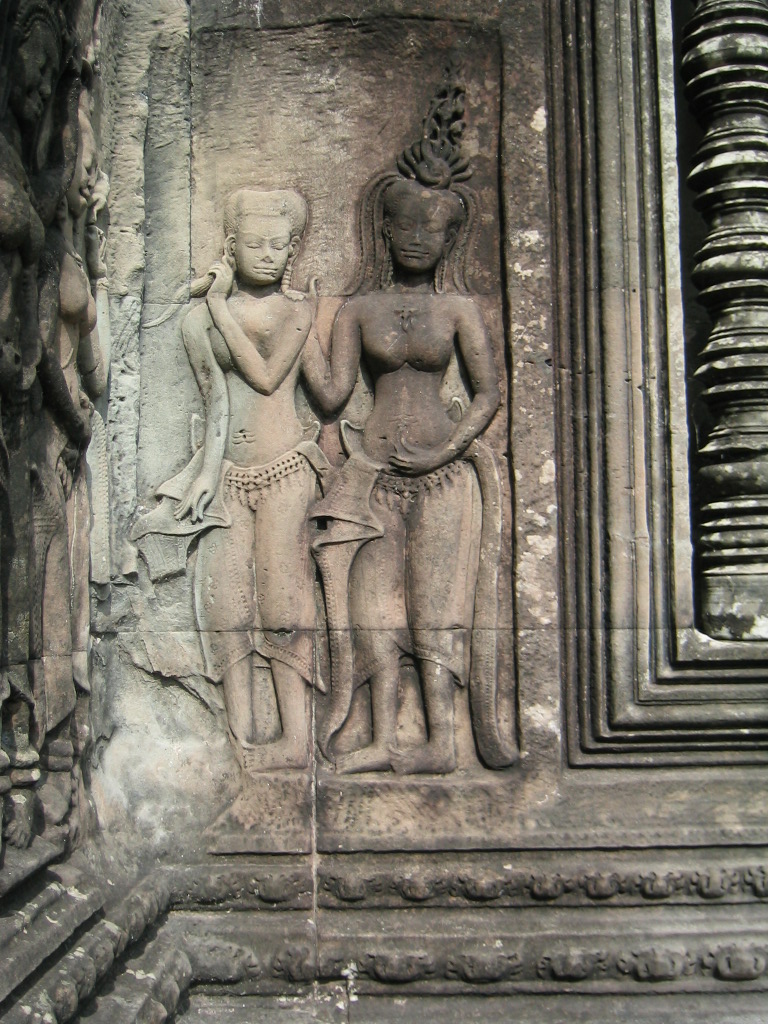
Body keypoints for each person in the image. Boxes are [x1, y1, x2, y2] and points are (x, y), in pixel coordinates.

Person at [305, 73, 518, 774]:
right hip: (370, 477)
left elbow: (487, 394)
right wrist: (297, 329)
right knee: (374, 610)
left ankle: (441, 740)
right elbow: (333, 394)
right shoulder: (358, 309)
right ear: (386, 230)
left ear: (450, 237)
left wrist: (445, 450)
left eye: (434, 229)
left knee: (431, 606)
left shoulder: (458, 310)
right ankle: (380, 736)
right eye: (407, 227)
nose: (419, 239)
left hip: (441, 477)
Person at [133, 189, 330, 773]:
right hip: (228, 474)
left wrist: (220, 306)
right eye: (254, 244)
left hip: (286, 472)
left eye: (277, 245)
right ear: (231, 246)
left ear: (292, 250)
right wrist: (204, 475)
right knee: (226, 604)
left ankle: (295, 738)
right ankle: (242, 735)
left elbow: (267, 377)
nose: (266, 254)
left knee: (284, 602)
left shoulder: (297, 312)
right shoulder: (197, 321)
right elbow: (216, 403)